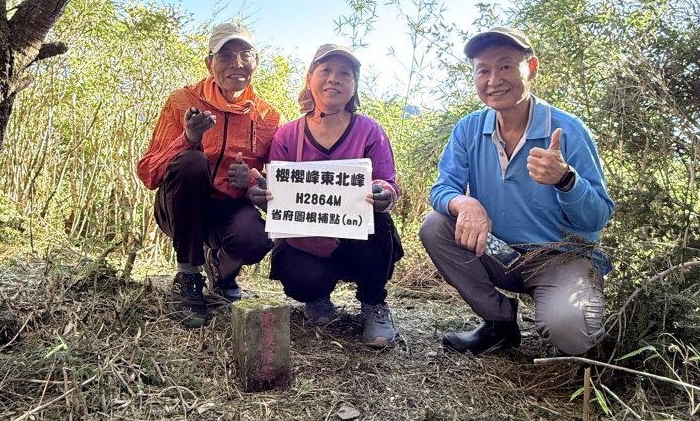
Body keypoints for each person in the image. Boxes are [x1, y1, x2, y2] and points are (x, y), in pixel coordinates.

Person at [420, 26, 614, 356]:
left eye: (506, 66)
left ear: (532, 68)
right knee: (436, 226)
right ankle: (499, 324)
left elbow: (599, 215)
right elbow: (443, 187)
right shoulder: (469, 129)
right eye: (483, 70)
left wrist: (565, 180)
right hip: (500, 253)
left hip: (561, 258)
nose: (494, 79)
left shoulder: (568, 130)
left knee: (574, 336)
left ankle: (561, 317)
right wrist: (464, 202)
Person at [251, 44, 403, 348]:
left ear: (354, 84)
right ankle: (316, 296)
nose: (335, 79)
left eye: (345, 74)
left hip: (356, 241)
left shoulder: (371, 131)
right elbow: (276, 194)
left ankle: (373, 303)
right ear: (310, 79)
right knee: (301, 278)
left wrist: (384, 193)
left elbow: (388, 182)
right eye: (326, 71)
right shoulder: (287, 135)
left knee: (380, 223)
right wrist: (262, 195)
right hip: (304, 242)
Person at [137, 21, 280, 326]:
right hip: (180, 208)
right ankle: (188, 275)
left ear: (256, 62)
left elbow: (276, 187)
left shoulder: (269, 117)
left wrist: (251, 182)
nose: (237, 64)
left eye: (246, 55)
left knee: (256, 237)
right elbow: (149, 172)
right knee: (192, 162)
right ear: (209, 63)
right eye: (225, 55)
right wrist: (188, 138)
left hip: (228, 211)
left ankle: (221, 272)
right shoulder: (182, 102)